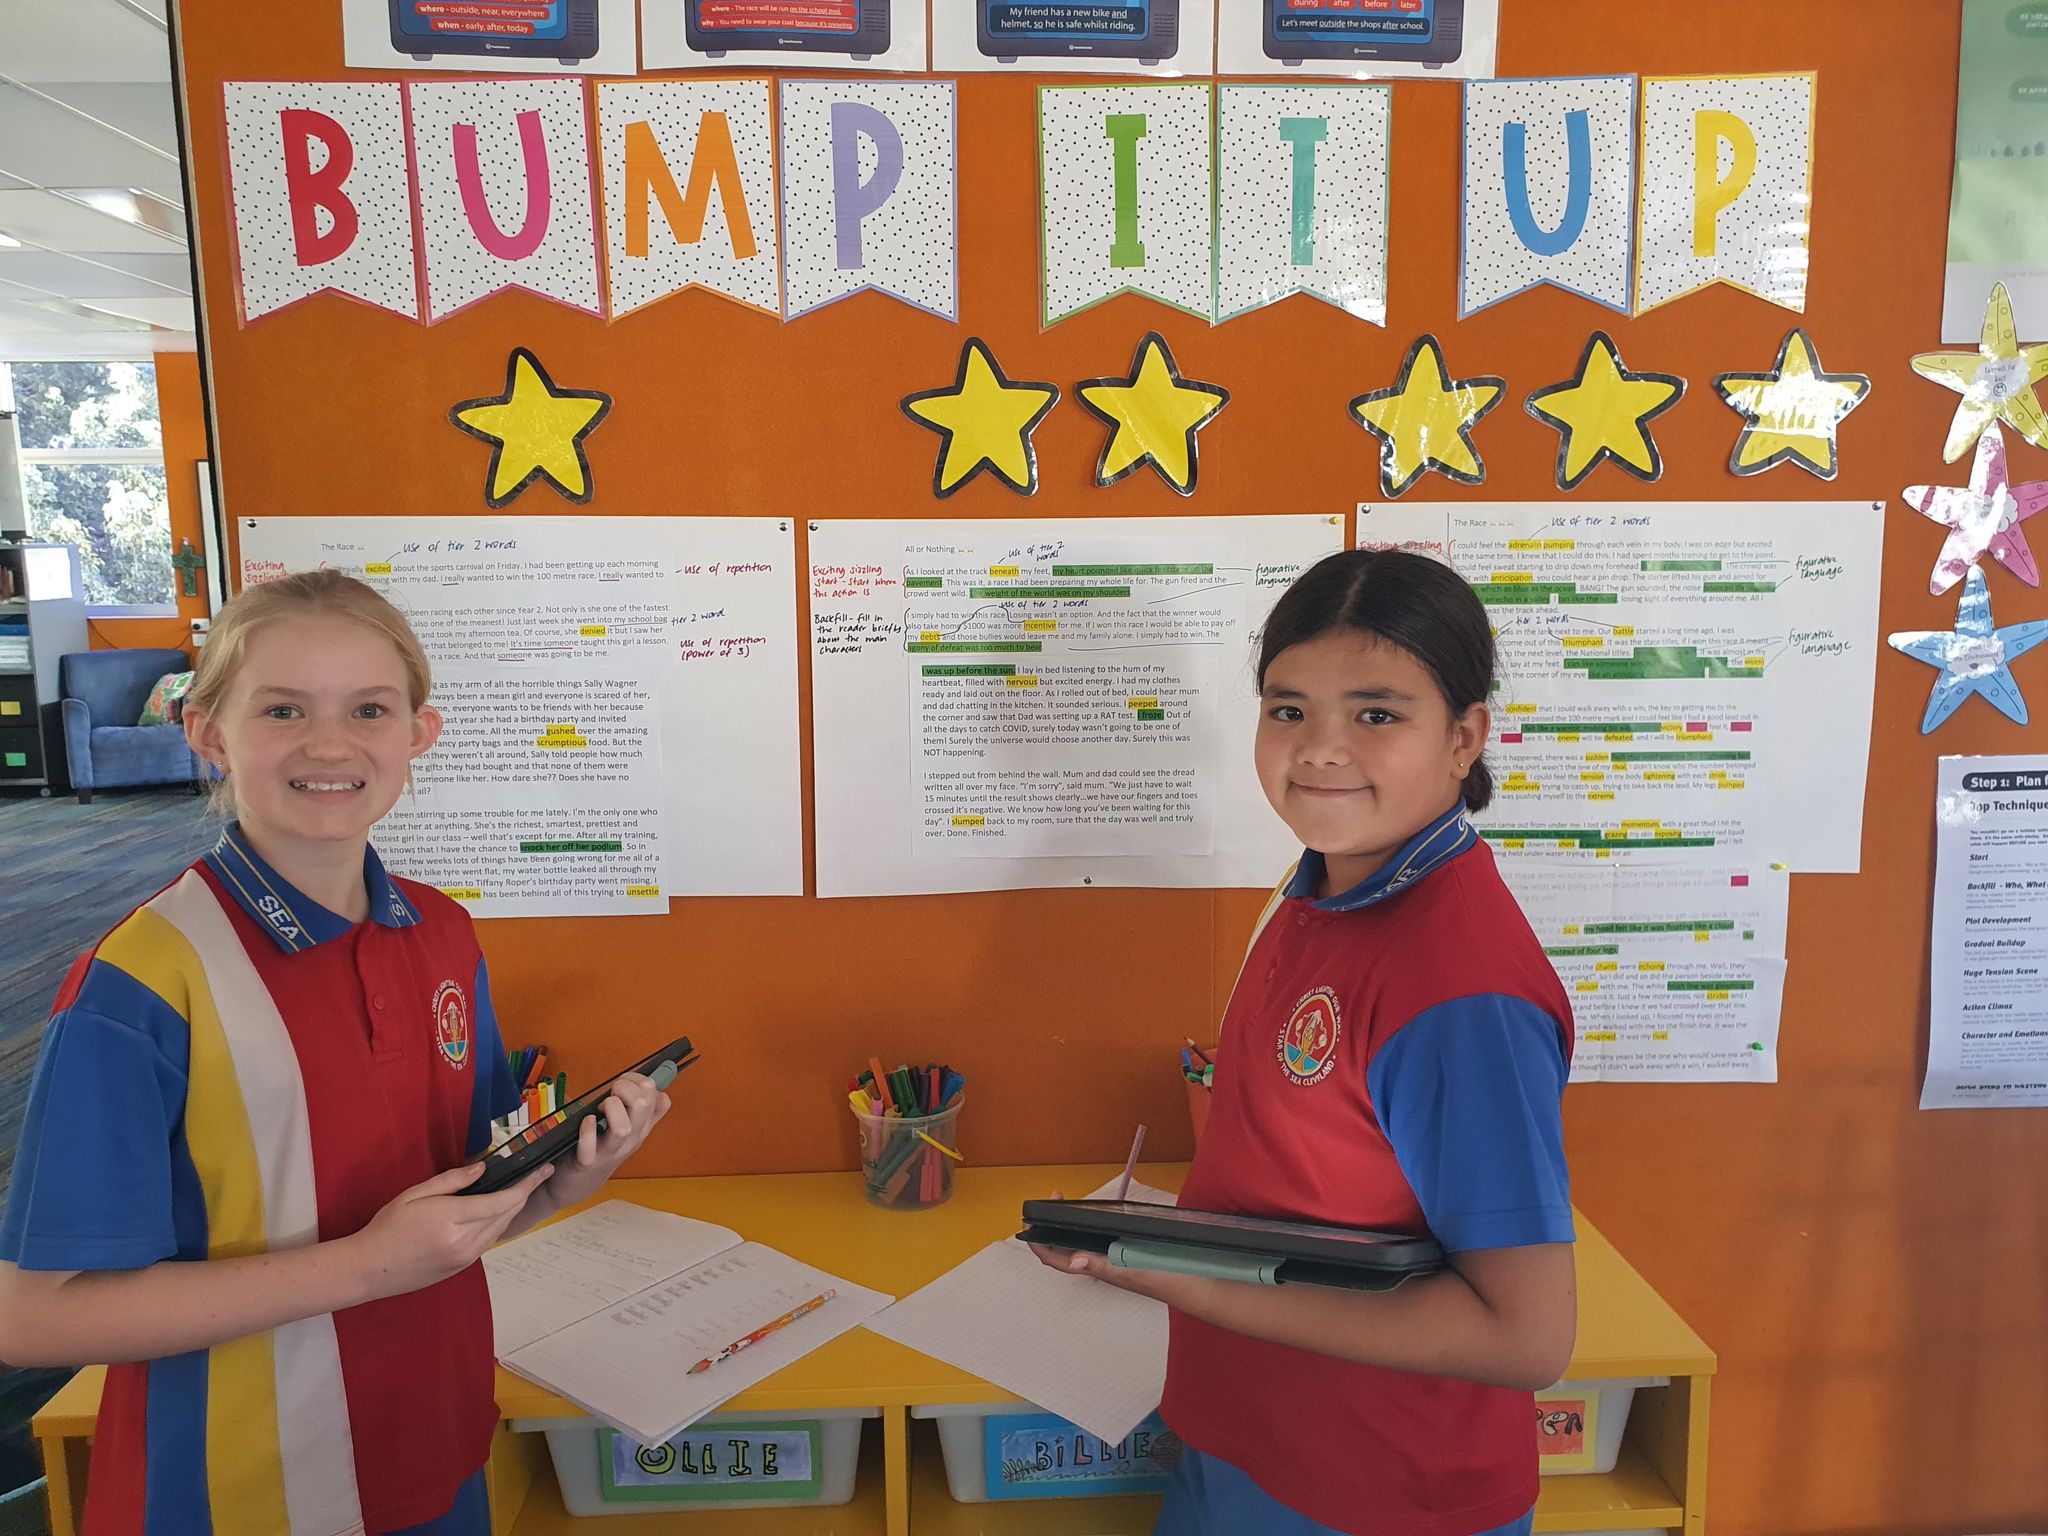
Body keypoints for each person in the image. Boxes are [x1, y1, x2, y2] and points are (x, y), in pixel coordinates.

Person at [0, 570, 672, 1535]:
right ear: (207, 732)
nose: (329, 743)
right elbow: (34, 1318)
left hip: (432, 1449)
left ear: (418, 734)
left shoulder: (443, 934)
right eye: (282, 710)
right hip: (237, 1492)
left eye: (369, 709)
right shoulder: (140, 983)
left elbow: (447, 1219)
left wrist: (561, 1183)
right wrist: (364, 1267)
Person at [1034, 549, 1577, 1536]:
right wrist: (1163, 1245)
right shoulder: (1321, 883)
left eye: (1376, 714)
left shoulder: (1461, 989)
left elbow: (1525, 1337)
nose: (1320, 749)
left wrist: (1168, 1273)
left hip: (1374, 1491)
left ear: (1462, 738)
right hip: (1245, 1433)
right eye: (1289, 709)